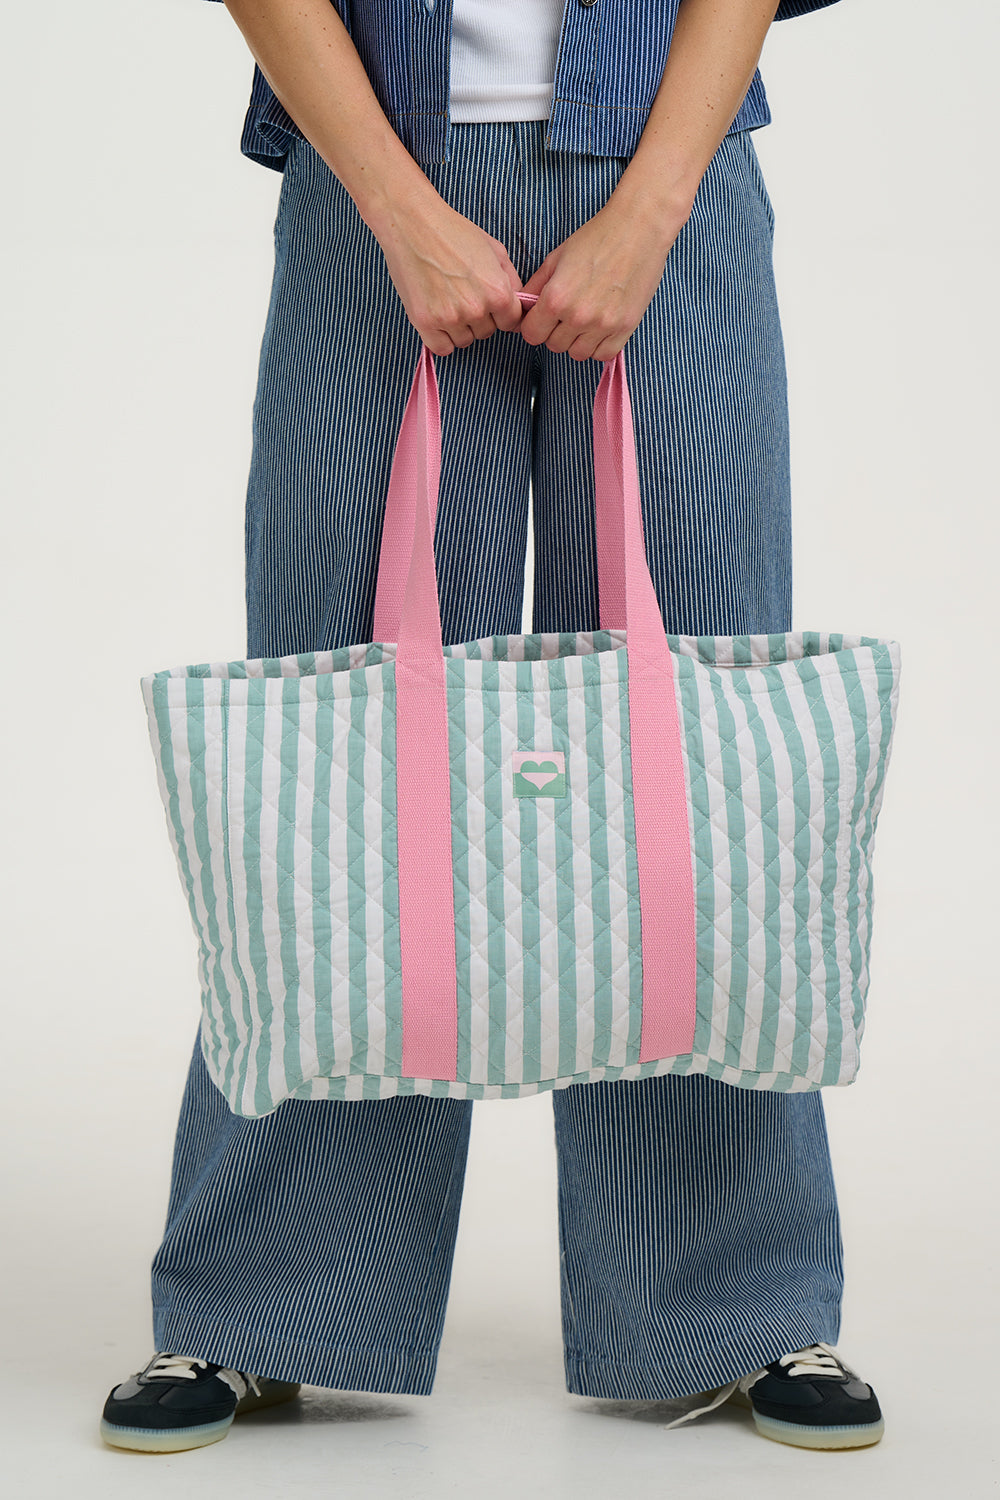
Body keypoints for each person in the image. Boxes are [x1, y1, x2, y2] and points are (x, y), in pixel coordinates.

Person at [100, 0, 885, 1456]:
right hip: (374, 166)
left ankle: (734, 1301)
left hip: (669, 161)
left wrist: (652, 210)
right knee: (340, 748)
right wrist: (399, 206)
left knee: (694, 743)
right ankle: (263, 1304)